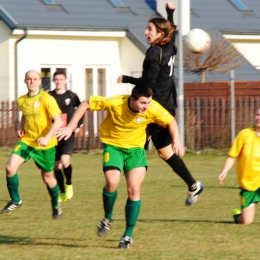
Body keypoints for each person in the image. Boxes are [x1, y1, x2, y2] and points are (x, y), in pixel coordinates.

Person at [57, 85, 184, 249]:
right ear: (132, 100)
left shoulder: (152, 109)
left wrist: (177, 141)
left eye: (149, 102)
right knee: (112, 182)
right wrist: (70, 126)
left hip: (136, 151)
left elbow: (170, 120)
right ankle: (107, 218)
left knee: (134, 189)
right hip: (113, 147)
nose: (147, 106)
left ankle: (127, 235)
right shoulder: (116, 103)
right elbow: (86, 104)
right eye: (143, 103)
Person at [117, 2, 204, 206]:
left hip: (154, 107)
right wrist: (170, 13)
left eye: (150, 29)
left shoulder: (154, 53)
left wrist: (127, 79)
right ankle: (191, 185)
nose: (145, 32)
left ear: (159, 34)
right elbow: (171, 31)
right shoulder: (170, 46)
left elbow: (148, 84)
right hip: (168, 104)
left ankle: (134, 186)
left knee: (148, 147)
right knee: (155, 148)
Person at [1, 70, 62, 219]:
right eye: (29, 79)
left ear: (40, 81)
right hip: (28, 141)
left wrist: (47, 137)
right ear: (25, 81)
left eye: (35, 79)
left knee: (47, 178)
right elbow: (25, 115)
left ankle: (55, 204)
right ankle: (16, 200)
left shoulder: (47, 99)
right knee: (10, 168)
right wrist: (21, 127)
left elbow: (58, 120)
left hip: (45, 145)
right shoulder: (22, 100)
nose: (32, 81)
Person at [218, 108, 260, 225]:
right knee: (246, 221)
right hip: (248, 184)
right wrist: (224, 171)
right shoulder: (245, 134)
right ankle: (237, 215)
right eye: (257, 114)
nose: (259, 117)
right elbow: (232, 156)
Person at [49, 70, 82, 202]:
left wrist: (78, 125)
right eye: (56, 79)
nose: (58, 82)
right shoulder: (49, 96)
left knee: (65, 160)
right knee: (56, 166)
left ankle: (69, 184)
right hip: (53, 134)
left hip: (67, 132)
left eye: (61, 79)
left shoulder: (72, 96)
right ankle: (61, 192)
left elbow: (81, 110)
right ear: (53, 80)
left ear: (65, 80)